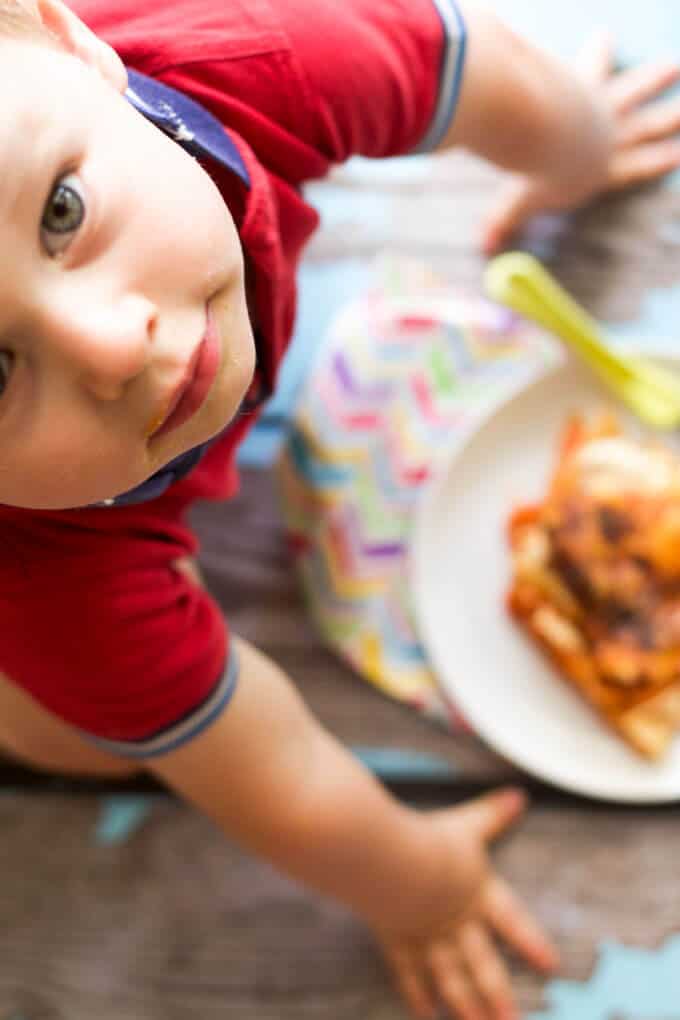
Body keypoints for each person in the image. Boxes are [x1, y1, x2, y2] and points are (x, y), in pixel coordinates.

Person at [0, 0, 678, 1016]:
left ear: (71, 45)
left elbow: (477, 69)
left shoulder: (253, 54)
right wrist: (422, 887)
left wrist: (572, 148)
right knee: (77, 731)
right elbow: (272, 770)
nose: (113, 345)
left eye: (60, 210)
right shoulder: (52, 591)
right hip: (69, 551)